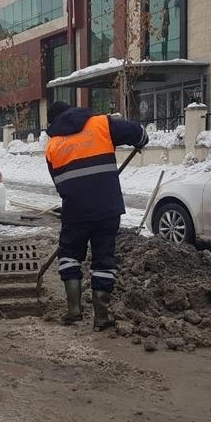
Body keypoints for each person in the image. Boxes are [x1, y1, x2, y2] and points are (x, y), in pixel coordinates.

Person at [45, 101, 148, 332]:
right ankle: (101, 317)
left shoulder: (52, 146)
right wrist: (141, 140)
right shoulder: (101, 124)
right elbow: (137, 132)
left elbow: (60, 183)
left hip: (75, 210)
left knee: (69, 255)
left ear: (54, 122)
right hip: (107, 208)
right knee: (103, 259)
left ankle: (74, 310)